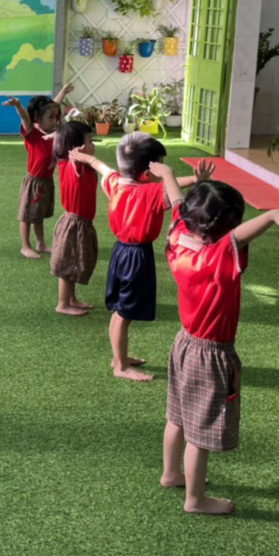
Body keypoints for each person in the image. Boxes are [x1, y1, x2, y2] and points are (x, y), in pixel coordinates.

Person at [150, 166, 279, 515]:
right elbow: (237, 238)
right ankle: (195, 500)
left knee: (177, 416)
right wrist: (272, 214)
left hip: (184, 344)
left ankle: (171, 473)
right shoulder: (217, 254)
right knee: (200, 432)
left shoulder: (179, 232)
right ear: (225, 226)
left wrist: (168, 174)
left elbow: (177, 200)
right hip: (210, 355)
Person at [74, 132, 208, 381]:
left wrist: (84, 157)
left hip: (120, 252)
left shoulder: (116, 183)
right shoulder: (152, 193)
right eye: (160, 167)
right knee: (124, 314)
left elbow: (101, 166)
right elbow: (173, 192)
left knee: (120, 310)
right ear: (147, 173)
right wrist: (194, 180)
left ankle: (119, 357)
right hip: (137, 257)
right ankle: (120, 366)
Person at [3, 83, 75, 259]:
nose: (55, 120)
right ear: (37, 118)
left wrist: (63, 92)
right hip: (34, 183)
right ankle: (25, 246)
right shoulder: (33, 134)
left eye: (56, 117)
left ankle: (41, 244)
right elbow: (25, 118)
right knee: (27, 216)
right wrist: (18, 106)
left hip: (47, 182)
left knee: (39, 215)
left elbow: (54, 106)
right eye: (50, 118)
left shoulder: (54, 133)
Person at [48, 121, 99, 316]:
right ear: (76, 149)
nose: (93, 145)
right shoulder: (74, 165)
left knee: (74, 262)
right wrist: (78, 156)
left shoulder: (73, 164)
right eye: (90, 141)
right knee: (68, 266)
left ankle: (71, 299)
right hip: (75, 223)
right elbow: (74, 162)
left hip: (79, 222)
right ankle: (62, 304)